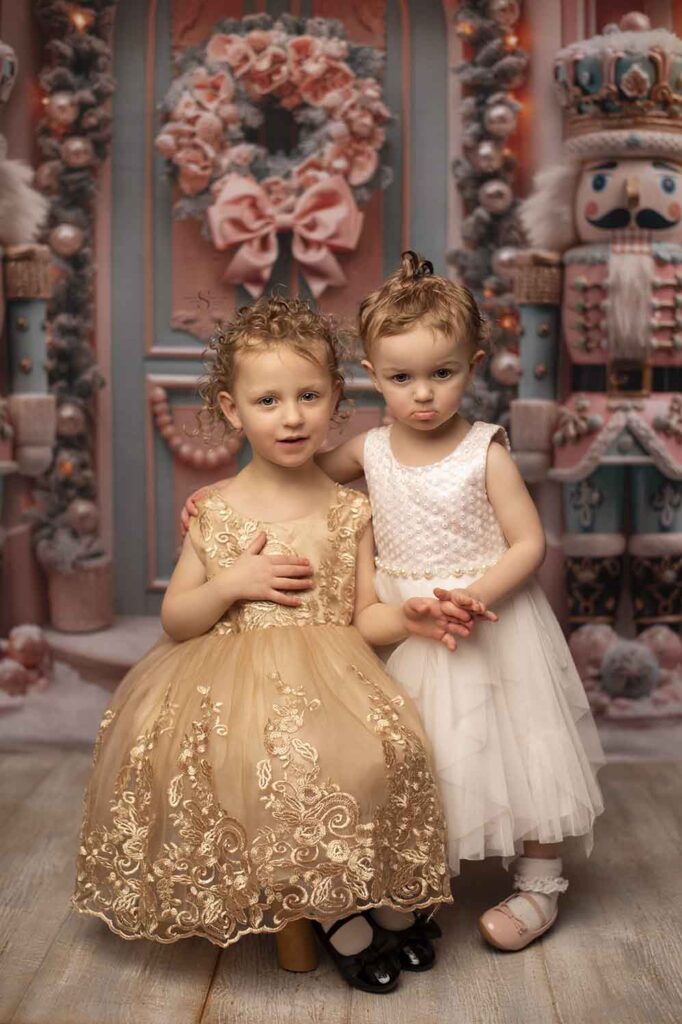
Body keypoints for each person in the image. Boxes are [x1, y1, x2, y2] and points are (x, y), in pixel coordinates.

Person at [184, 255, 605, 952]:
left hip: (488, 616)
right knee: (419, 754)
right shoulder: (368, 450)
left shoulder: (482, 452)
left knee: (527, 750)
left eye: (442, 374)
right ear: (372, 378)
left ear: (472, 366)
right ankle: (417, 881)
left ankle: (538, 884)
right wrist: (221, 501)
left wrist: (474, 595)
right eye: (402, 378)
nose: (424, 396)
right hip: (401, 622)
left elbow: (529, 542)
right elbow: (293, 479)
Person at [72, 296, 459, 993]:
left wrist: (411, 618)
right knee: (281, 760)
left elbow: (365, 616)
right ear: (231, 409)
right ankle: (335, 918)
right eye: (268, 399)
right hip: (236, 685)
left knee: (388, 749)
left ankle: (384, 897)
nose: (291, 416)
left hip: (338, 672)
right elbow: (177, 619)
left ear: (337, 398)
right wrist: (231, 582)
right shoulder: (218, 510)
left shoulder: (350, 509)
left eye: (309, 396)